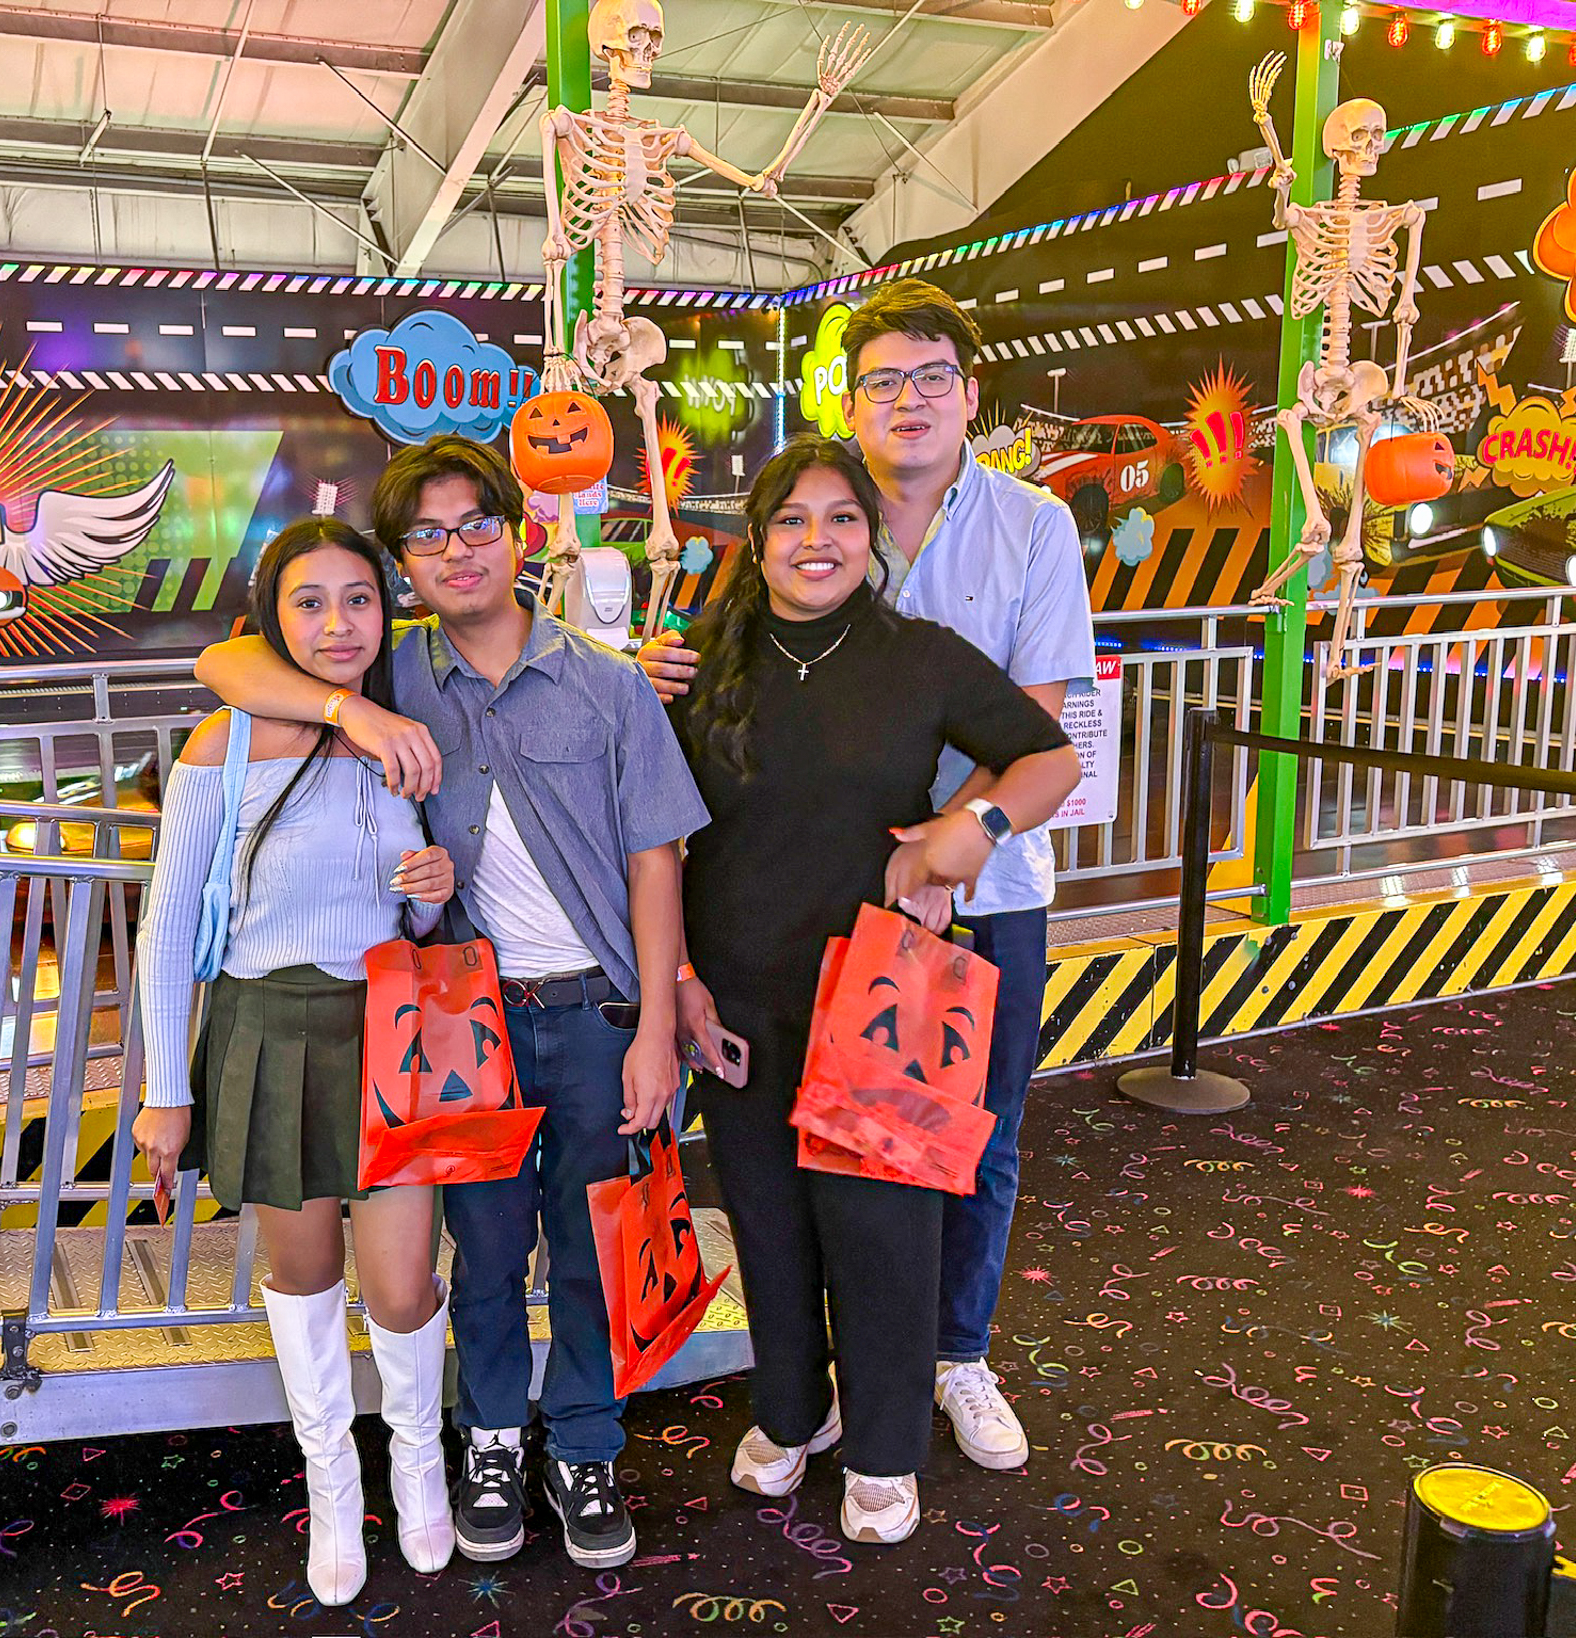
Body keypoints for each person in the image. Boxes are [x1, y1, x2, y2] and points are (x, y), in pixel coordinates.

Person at [193, 433, 708, 1571]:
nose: (455, 549)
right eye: (425, 535)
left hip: (596, 1014)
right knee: (479, 1249)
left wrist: (657, 1022)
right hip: (464, 1024)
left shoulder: (609, 685)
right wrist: (356, 716)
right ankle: (489, 1441)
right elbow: (225, 668)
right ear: (403, 564)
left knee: (591, 1245)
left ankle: (585, 1446)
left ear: (517, 536)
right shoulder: (395, 673)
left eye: (476, 524)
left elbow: (655, 861)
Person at [645, 279, 1096, 1473]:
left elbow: (1035, 722)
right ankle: (822, 1382)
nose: (908, 400)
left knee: (968, 1140)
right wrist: (651, 676)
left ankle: (954, 1355)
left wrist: (948, 840)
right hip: (799, 920)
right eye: (882, 381)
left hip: (978, 894)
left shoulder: (1031, 526)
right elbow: (712, 697)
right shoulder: (809, 516)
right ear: (847, 403)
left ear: (968, 394)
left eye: (929, 377)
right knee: (802, 1171)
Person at [133, 518, 459, 1608]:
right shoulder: (222, 743)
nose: (337, 624)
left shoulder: (405, 733)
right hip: (267, 1028)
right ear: (272, 618)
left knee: (401, 1286)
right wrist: (163, 1094)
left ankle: (417, 1464)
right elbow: (165, 926)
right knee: (307, 1274)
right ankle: (331, 1482)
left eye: (358, 599)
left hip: (389, 1033)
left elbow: (412, 919)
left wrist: (430, 896)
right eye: (308, 602)